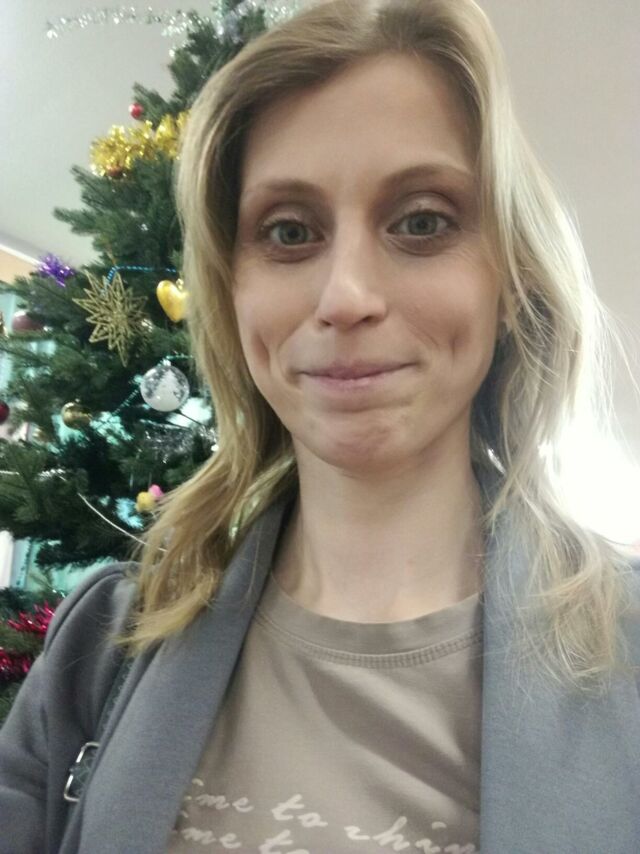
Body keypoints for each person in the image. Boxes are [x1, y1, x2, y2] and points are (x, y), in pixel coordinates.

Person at [1, 0, 639, 851]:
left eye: (421, 221)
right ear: (233, 292)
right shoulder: (106, 642)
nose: (346, 297)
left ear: (509, 276)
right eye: (289, 232)